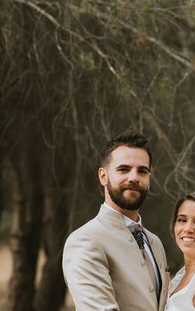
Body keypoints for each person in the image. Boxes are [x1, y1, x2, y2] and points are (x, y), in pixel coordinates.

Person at [62, 132, 170, 311]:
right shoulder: (84, 240)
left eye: (142, 171)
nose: (134, 177)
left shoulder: (155, 244)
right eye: (123, 169)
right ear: (103, 176)